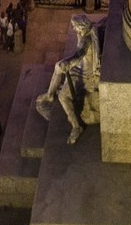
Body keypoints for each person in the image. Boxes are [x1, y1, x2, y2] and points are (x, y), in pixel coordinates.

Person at [35, 13, 103, 144]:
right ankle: (49, 95)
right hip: (79, 68)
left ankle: (76, 126)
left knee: (62, 97)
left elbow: (79, 55)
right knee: (57, 66)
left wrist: (69, 63)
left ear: (81, 26)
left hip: (84, 75)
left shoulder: (85, 40)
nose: (74, 29)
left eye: (75, 27)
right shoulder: (86, 34)